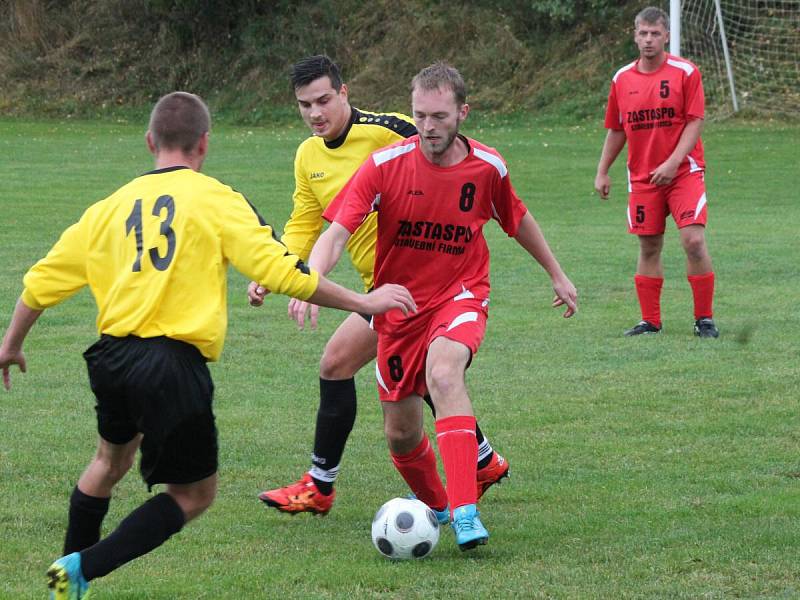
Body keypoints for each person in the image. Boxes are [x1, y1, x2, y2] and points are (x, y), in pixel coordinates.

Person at [0, 92, 414, 600]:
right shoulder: (216, 198)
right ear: (204, 144)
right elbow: (282, 270)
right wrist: (362, 300)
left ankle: (65, 586)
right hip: (171, 364)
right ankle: (83, 566)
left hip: (110, 358)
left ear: (151, 141)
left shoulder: (107, 208)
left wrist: (11, 344)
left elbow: (40, 283)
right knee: (194, 495)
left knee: (108, 464)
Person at [291, 62, 577, 550]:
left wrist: (556, 271)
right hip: (398, 306)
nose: (428, 126)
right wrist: (311, 279)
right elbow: (335, 231)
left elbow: (517, 219)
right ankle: (441, 506)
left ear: (463, 112)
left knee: (445, 373)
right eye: (420, 115)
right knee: (401, 434)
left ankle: (466, 511)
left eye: (440, 116)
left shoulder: (488, 167)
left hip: (461, 293)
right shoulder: (385, 166)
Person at [250, 55, 509, 516]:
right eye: (305, 105)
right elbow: (305, 224)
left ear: (344, 93)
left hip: (426, 284)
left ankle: (323, 484)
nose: (315, 113)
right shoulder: (308, 156)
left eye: (324, 100)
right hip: (379, 291)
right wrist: (275, 271)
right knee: (348, 366)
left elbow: (449, 163)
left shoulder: (394, 131)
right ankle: (480, 460)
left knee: (412, 371)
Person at [594, 6, 719, 338]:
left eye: (655, 34)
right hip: (642, 177)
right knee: (649, 246)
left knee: (693, 240)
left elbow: (695, 120)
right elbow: (617, 128)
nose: (648, 40)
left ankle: (704, 319)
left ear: (666, 36)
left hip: (683, 172)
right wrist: (602, 170)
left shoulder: (686, 72)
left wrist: (673, 162)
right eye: (643, 33)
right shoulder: (622, 79)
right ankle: (650, 321)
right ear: (634, 35)